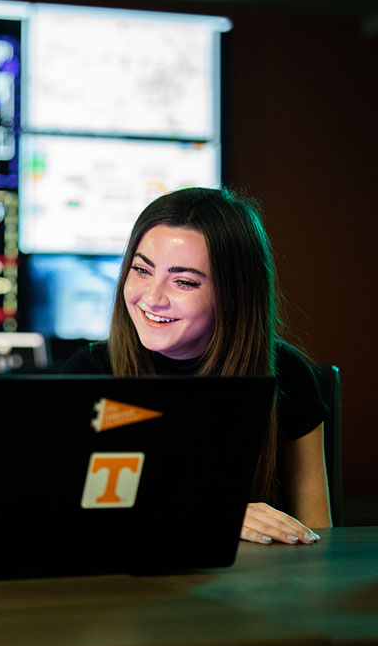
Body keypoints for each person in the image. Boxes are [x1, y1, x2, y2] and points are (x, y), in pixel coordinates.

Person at [61, 187, 331, 545]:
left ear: (234, 293)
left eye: (184, 281)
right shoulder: (89, 371)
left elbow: (319, 535)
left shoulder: (289, 374)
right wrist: (212, 516)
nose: (152, 298)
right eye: (142, 270)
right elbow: (70, 522)